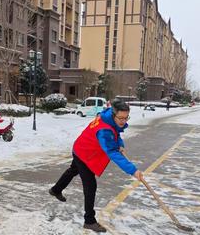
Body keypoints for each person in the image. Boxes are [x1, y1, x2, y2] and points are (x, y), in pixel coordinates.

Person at [49, 99, 144, 233]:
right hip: (84, 154)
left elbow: (116, 132)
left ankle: (55, 190)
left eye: (126, 118)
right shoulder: (104, 131)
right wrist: (133, 170)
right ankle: (89, 221)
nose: (123, 121)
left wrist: (120, 144)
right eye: (121, 118)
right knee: (90, 186)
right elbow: (111, 152)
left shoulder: (108, 116)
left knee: (72, 170)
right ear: (113, 114)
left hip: (81, 146)